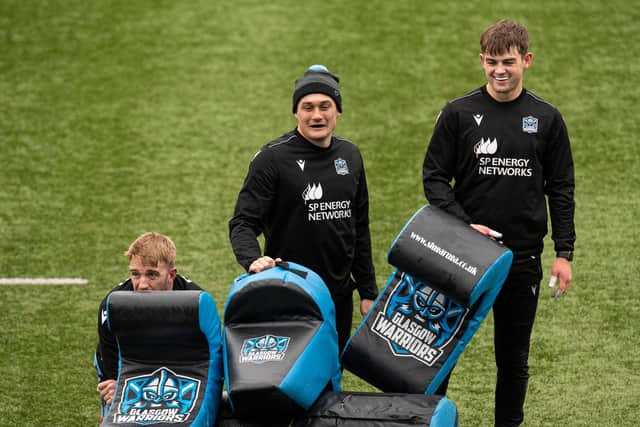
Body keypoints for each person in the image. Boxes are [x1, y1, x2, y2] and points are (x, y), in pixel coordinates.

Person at [422, 20, 575, 427]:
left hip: (520, 259)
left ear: (527, 60)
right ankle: (431, 421)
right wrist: (463, 224)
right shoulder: (458, 113)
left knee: (513, 361)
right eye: (491, 63)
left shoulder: (547, 118)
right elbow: (434, 178)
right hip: (462, 254)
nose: (499, 71)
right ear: (481, 61)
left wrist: (564, 253)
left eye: (508, 62)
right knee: (440, 353)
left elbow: (561, 188)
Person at [229, 64, 378, 353]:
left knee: (332, 375)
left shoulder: (350, 155)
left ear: (338, 112)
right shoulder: (272, 159)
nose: (317, 115)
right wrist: (252, 260)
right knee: (294, 379)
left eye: (325, 106)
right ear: (296, 112)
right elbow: (243, 223)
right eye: (307, 107)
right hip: (290, 292)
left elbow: (358, 227)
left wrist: (368, 290)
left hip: (338, 295)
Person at [94, 232, 203, 418]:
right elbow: (110, 358)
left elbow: (206, 360)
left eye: (152, 275)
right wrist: (115, 385)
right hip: (127, 363)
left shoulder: (196, 303)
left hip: (178, 364)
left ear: (171, 274)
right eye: (136, 274)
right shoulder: (112, 305)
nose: (142, 284)